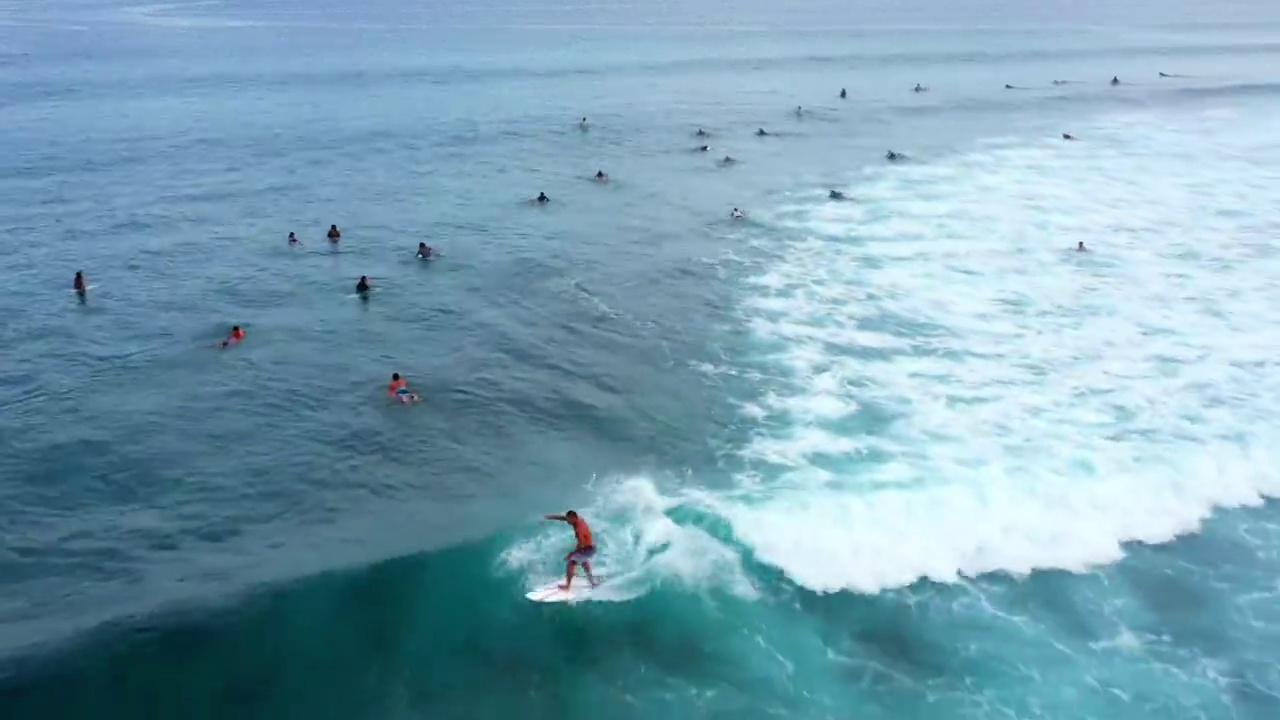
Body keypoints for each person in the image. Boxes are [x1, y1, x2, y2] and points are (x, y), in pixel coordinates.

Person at [544, 510, 597, 590]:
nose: (568, 522)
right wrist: (552, 517)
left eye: (569, 521)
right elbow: (564, 518)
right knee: (583, 562)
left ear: (573, 518)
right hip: (589, 547)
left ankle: (567, 586)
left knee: (571, 563)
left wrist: (572, 554)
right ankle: (592, 582)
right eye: (567, 520)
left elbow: (581, 544)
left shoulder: (579, 529)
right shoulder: (576, 519)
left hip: (587, 548)